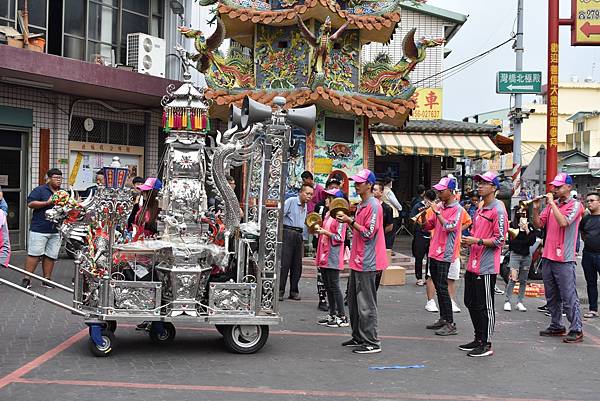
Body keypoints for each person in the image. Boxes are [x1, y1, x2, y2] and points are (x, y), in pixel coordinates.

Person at [337, 168, 387, 354]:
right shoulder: (362, 205)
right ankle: (358, 336)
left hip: (368, 261)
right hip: (358, 259)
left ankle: (372, 342)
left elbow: (368, 232)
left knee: (366, 303)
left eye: (359, 182)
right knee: (354, 301)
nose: (356, 185)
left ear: (369, 185)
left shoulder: (374, 206)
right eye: (355, 182)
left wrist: (350, 221)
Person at [460, 171, 507, 357]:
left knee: (485, 306)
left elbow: (500, 240)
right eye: (478, 182)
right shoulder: (480, 207)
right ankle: (478, 338)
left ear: (494, 187)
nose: (479, 186)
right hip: (473, 263)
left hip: (486, 266)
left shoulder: (499, 210)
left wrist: (477, 241)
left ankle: (486, 343)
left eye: (484, 183)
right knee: (470, 302)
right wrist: (470, 241)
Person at [533, 173, 584, 343]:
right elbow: (539, 224)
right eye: (554, 187)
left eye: (558, 187)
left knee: (569, 296)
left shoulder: (576, 205)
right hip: (548, 255)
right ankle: (557, 325)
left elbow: (563, 223)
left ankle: (576, 328)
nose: (554, 189)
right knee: (551, 295)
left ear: (569, 187)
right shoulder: (551, 205)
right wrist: (535, 209)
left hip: (565, 258)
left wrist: (551, 204)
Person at [417, 176, 465, 336]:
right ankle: (444, 318)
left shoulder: (457, 209)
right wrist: (423, 217)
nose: (438, 192)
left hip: (446, 253)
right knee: (438, 286)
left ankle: (450, 323)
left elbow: (450, 226)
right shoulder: (440, 206)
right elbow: (428, 226)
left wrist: (437, 212)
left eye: (441, 190)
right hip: (434, 251)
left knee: (443, 287)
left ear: (450, 191)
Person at [22, 168, 63, 289]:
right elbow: (30, 204)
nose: (59, 180)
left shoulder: (63, 192)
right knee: (34, 255)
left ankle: (46, 280)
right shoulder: (40, 190)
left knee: (51, 256)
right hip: (39, 228)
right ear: (49, 179)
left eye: (60, 178)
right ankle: (26, 279)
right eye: (56, 178)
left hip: (57, 230)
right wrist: (47, 202)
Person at [315, 189, 349, 328]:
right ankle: (332, 314)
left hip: (333, 255)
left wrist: (324, 232)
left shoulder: (340, 217)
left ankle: (342, 316)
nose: (327, 200)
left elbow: (340, 238)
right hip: (324, 253)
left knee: (334, 286)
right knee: (328, 286)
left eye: (330, 198)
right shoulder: (328, 214)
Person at [280, 183, 313, 301]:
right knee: (285, 263)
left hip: (299, 235)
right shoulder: (291, 201)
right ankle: (280, 290)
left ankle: (294, 291)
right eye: (307, 193)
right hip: (288, 232)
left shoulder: (306, 207)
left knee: (297, 265)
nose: (309, 196)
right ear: (301, 193)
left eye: (311, 194)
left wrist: (303, 238)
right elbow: (280, 215)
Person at [504, 206, 537, 312]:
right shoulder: (512, 226)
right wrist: (523, 238)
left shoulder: (530, 226)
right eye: (519, 212)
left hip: (526, 255)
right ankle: (507, 301)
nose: (522, 215)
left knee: (523, 280)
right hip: (515, 255)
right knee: (513, 278)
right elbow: (512, 242)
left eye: (524, 212)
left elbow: (532, 241)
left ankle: (520, 302)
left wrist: (526, 229)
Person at [579, 192, 600, 319]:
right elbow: (582, 233)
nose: (589, 203)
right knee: (591, 283)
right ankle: (593, 309)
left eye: (592, 200)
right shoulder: (586, 218)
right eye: (588, 201)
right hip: (588, 254)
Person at [411, 190, 436, 287]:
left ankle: (427, 277)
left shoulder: (435, 207)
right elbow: (413, 218)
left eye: (431, 200)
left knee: (430, 258)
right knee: (419, 257)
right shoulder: (418, 206)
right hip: (420, 235)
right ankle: (419, 278)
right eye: (427, 199)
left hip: (432, 235)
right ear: (424, 198)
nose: (428, 201)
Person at [373, 182, 395, 289]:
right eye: (373, 189)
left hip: (380, 240)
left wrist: (379, 233)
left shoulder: (386, 208)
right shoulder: (369, 205)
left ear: (381, 192)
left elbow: (390, 226)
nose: (374, 191)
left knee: (378, 267)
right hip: (369, 239)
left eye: (376, 189)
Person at [381, 178, 402, 251]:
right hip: (392, 213)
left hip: (383, 213)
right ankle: (388, 249)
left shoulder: (382, 190)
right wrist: (400, 208)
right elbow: (395, 202)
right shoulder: (388, 191)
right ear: (389, 183)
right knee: (391, 233)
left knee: (385, 231)